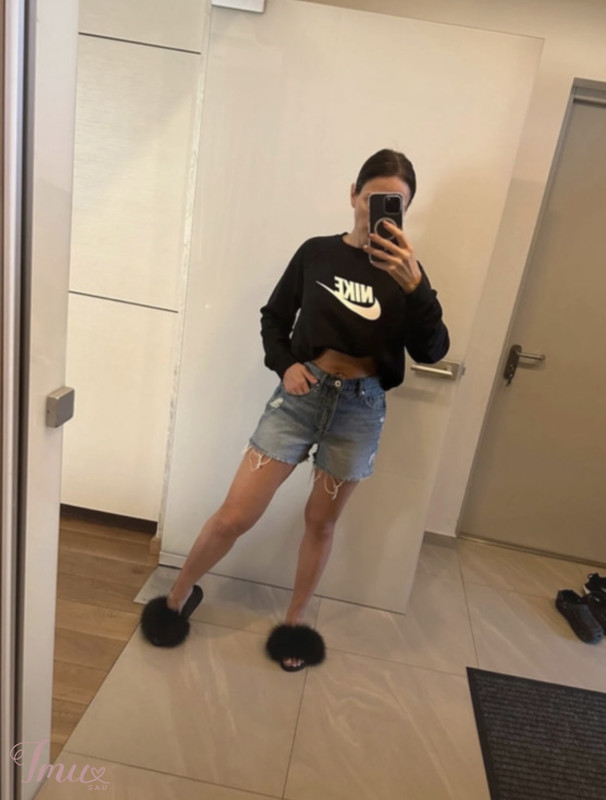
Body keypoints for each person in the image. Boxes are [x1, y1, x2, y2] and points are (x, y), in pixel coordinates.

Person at [140, 148, 450, 671]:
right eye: (373, 198)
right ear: (353, 194)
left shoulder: (409, 277)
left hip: (360, 410)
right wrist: (285, 364)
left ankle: (295, 622)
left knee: (320, 524)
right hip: (300, 400)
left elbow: (432, 350)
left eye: (395, 203)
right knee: (235, 515)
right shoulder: (316, 253)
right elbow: (274, 317)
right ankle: (176, 598)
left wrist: (416, 287)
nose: (379, 211)